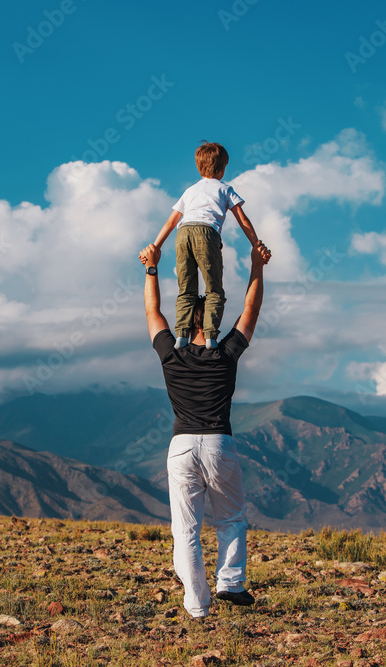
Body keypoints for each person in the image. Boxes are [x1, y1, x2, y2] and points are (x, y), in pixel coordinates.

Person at [140, 239, 270, 620]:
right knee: (230, 517)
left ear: (186, 320)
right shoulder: (225, 352)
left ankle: (197, 607)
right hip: (219, 442)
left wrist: (151, 267)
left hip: (180, 446)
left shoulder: (171, 354)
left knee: (186, 530)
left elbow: (152, 309)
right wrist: (257, 266)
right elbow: (251, 308)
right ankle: (230, 582)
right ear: (211, 319)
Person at [142, 141, 270, 350]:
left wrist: (155, 247)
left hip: (182, 234)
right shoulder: (225, 189)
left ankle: (182, 334)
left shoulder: (190, 190)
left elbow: (170, 222)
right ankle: (210, 336)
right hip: (207, 233)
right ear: (223, 168)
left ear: (199, 167)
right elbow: (243, 220)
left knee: (186, 288)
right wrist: (257, 245)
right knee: (214, 289)